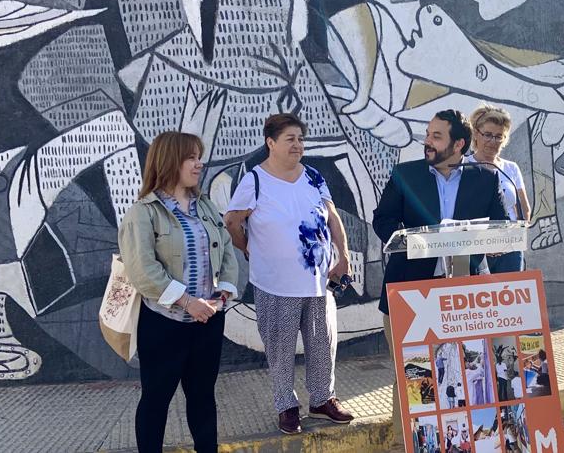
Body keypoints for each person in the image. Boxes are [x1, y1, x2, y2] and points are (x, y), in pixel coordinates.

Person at [373, 109, 508, 447]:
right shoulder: (405, 174)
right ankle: (407, 445)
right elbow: (382, 219)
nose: (427, 142)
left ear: (459, 144)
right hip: (409, 294)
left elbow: (502, 225)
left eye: (436, 136)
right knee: (412, 377)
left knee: (467, 374)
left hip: (463, 295)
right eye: (428, 134)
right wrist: (408, 238)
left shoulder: (485, 178)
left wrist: (493, 242)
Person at [224, 113, 354, 434]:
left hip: (318, 280)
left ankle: (323, 399)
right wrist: (248, 248)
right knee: (280, 348)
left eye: (300, 139)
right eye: (290, 139)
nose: (298, 145)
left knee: (323, 342)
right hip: (275, 283)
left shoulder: (313, 176)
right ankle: (286, 405)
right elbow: (231, 222)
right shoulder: (254, 180)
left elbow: (333, 217)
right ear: (271, 143)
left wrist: (344, 257)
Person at [118, 132, 239, 453]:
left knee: (203, 397)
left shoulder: (207, 206)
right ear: (170, 161)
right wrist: (188, 302)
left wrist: (220, 298)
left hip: (208, 321)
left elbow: (226, 251)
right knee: (156, 399)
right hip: (163, 323)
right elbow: (142, 269)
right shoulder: (143, 213)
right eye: (191, 158)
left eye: (199, 156)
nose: (199, 164)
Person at [468, 104, 532, 273]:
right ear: (476, 133)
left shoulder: (511, 168)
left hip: (510, 251)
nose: (493, 141)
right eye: (488, 135)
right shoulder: (463, 167)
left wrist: (512, 240)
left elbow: (525, 211)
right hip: (476, 252)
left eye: (499, 136)